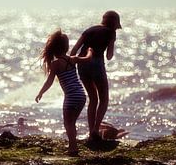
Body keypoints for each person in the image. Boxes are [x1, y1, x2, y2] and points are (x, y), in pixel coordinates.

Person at [35, 30, 93, 156]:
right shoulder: (73, 59)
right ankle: (73, 146)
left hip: (71, 97)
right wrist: (90, 51)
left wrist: (41, 92)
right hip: (81, 95)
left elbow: (49, 82)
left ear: (53, 48)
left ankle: (73, 148)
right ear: (66, 47)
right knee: (72, 123)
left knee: (68, 123)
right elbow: (88, 59)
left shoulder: (55, 64)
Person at [70, 11, 122, 142]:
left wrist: (71, 65)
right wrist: (111, 42)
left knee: (93, 99)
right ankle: (95, 130)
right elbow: (109, 56)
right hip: (97, 64)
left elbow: (74, 50)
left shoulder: (89, 30)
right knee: (104, 99)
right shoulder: (111, 32)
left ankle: (91, 131)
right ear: (115, 24)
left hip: (82, 63)